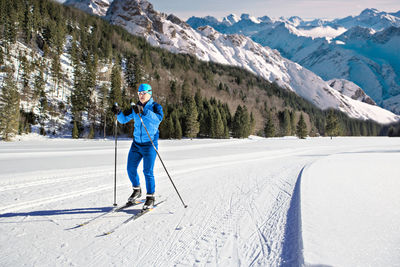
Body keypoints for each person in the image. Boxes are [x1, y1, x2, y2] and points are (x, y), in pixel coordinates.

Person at [112, 83, 163, 210]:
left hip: (150, 145)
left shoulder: (156, 106)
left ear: (149, 93)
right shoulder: (135, 107)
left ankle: (150, 197)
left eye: (143, 93)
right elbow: (123, 120)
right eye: (139, 93)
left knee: (147, 171)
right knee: (130, 168)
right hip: (136, 144)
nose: (141, 95)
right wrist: (118, 113)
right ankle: (137, 190)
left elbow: (158, 119)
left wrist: (144, 111)